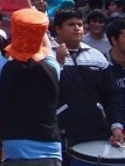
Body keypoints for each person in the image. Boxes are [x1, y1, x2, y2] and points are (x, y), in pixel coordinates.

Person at [0, 0, 63, 166]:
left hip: (16, 160)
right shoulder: (53, 68)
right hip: (51, 159)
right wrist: (38, 20)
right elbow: (46, 47)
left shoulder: (4, 71)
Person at [51, 8, 123, 147]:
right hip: (60, 134)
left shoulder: (97, 56)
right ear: (58, 29)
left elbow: (113, 94)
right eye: (71, 25)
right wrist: (58, 64)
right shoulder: (46, 55)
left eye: (80, 24)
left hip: (96, 131)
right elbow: (45, 91)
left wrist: (116, 125)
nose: (77, 28)